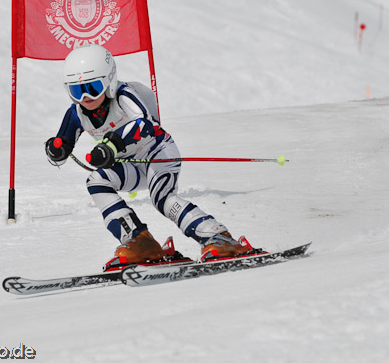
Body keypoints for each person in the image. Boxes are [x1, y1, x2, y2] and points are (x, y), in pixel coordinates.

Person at [45, 44, 248, 265]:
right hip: (131, 166)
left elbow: (144, 124)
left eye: (93, 87)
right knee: (96, 181)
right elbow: (62, 146)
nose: (85, 97)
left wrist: (111, 146)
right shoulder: (76, 113)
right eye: (77, 90)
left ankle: (218, 237)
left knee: (162, 199)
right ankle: (138, 240)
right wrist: (56, 151)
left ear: (109, 81)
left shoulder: (124, 96)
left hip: (157, 153)